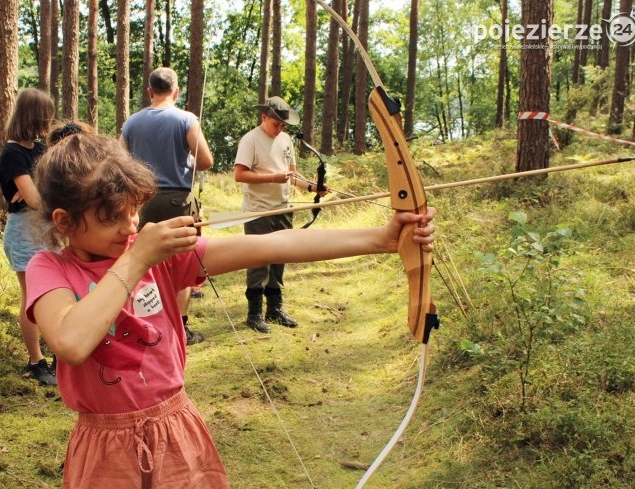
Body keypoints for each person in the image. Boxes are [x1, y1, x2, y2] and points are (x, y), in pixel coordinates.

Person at [24, 128, 436, 488]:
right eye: (113, 217)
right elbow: (71, 342)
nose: (131, 226)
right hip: (105, 448)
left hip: (175, 429)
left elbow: (270, 244)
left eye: (134, 210)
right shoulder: (51, 268)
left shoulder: (158, 256)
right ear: (64, 221)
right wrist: (136, 261)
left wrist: (380, 239)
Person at [121, 66, 214, 346]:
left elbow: (120, 163)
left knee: (142, 259)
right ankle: (180, 328)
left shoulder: (131, 123)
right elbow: (206, 160)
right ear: (176, 91)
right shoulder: (186, 119)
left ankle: (144, 322)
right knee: (182, 261)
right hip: (177, 199)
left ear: (149, 91)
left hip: (141, 201)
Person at [234, 96, 325, 333]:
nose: (280, 128)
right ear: (264, 117)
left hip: (284, 209)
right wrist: (272, 177)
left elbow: (292, 175)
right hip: (258, 211)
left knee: (279, 259)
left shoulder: (285, 140)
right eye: (276, 124)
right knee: (258, 261)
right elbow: (240, 175)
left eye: (284, 125)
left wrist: (314, 187)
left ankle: (274, 309)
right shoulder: (250, 139)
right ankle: (254, 314)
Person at [0, 87, 57, 386]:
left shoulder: (38, 149)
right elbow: (34, 199)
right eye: (45, 116)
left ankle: (60, 350)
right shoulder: (12, 153)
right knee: (32, 297)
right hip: (24, 230)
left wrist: (36, 188)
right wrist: (36, 190)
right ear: (32, 116)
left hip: (48, 228)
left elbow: (46, 187)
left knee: (60, 291)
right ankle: (36, 360)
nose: (48, 122)